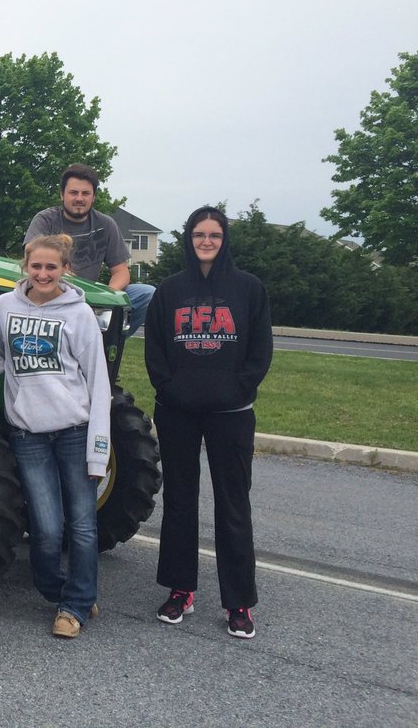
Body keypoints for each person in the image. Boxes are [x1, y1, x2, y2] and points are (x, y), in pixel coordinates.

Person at [144, 206, 272, 640]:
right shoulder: (170, 290)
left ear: (224, 239)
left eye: (214, 235)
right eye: (199, 234)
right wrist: (169, 388)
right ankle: (181, 589)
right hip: (177, 411)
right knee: (180, 500)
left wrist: (239, 389)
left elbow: (260, 350)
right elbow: (156, 348)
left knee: (233, 505)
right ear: (188, 238)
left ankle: (239, 602)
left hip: (231, 415)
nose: (206, 242)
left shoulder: (249, 288)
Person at [0, 234, 110, 639]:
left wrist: (98, 452)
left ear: (65, 270)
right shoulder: (5, 307)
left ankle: (73, 608)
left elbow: (98, 383)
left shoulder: (79, 315)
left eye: (51, 267)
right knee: (45, 528)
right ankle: (62, 591)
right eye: (36, 266)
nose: (43, 274)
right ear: (25, 266)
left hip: (74, 432)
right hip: (28, 434)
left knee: (81, 524)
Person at [23, 163, 153, 336]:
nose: (79, 198)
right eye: (73, 192)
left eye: (86, 193)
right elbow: (31, 257)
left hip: (92, 298)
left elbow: (121, 272)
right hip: (55, 291)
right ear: (62, 194)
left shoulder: (106, 224)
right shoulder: (45, 220)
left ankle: (109, 339)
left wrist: (107, 298)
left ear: (93, 197)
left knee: (147, 293)